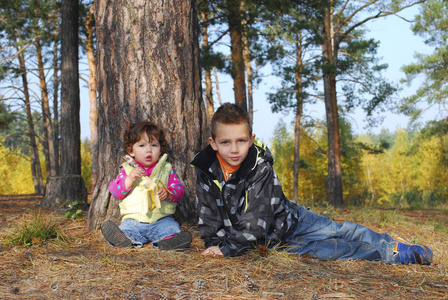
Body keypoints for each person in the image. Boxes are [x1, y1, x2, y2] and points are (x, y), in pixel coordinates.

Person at [190, 103, 433, 264]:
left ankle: (392, 243)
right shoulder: (205, 171)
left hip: (292, 222)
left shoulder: (261, 168)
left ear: (251, 140)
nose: (234, 149)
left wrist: (229, 248)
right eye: (225, 142)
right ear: (213, 143)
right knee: (332, 250)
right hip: (269, 243)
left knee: (339, 231)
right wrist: (215, 245)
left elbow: (257, 221)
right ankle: (388, 254)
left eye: (241, 140)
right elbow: (208, 213)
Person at [101, 121, 192, 250]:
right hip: (134, 220)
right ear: (131, 151)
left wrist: (168, 192)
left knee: (171, 228)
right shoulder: (127, 170)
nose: (149, 150)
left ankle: (169, 242)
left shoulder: (165, 169)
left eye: (154, 145)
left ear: (160, 149)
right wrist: (130, 179)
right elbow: (115, 191)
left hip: (161, 219)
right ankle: (123, 240)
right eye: (142, 145)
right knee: (126, 229)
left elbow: (179, 189)